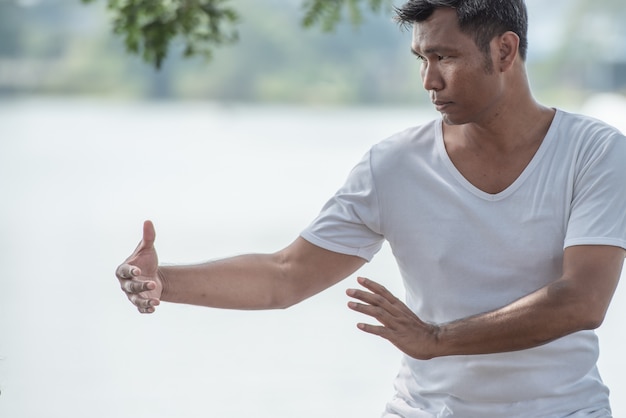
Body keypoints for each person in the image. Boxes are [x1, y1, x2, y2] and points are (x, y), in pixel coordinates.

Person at [116, 0, 626, 416]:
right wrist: (166, 281)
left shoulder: (595, 152)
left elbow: (582, 300)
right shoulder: (394, 166)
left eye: (444, 57)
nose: (429, 80)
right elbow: (285, 275)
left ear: (505, 50)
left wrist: (436, 338)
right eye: (421, 59)